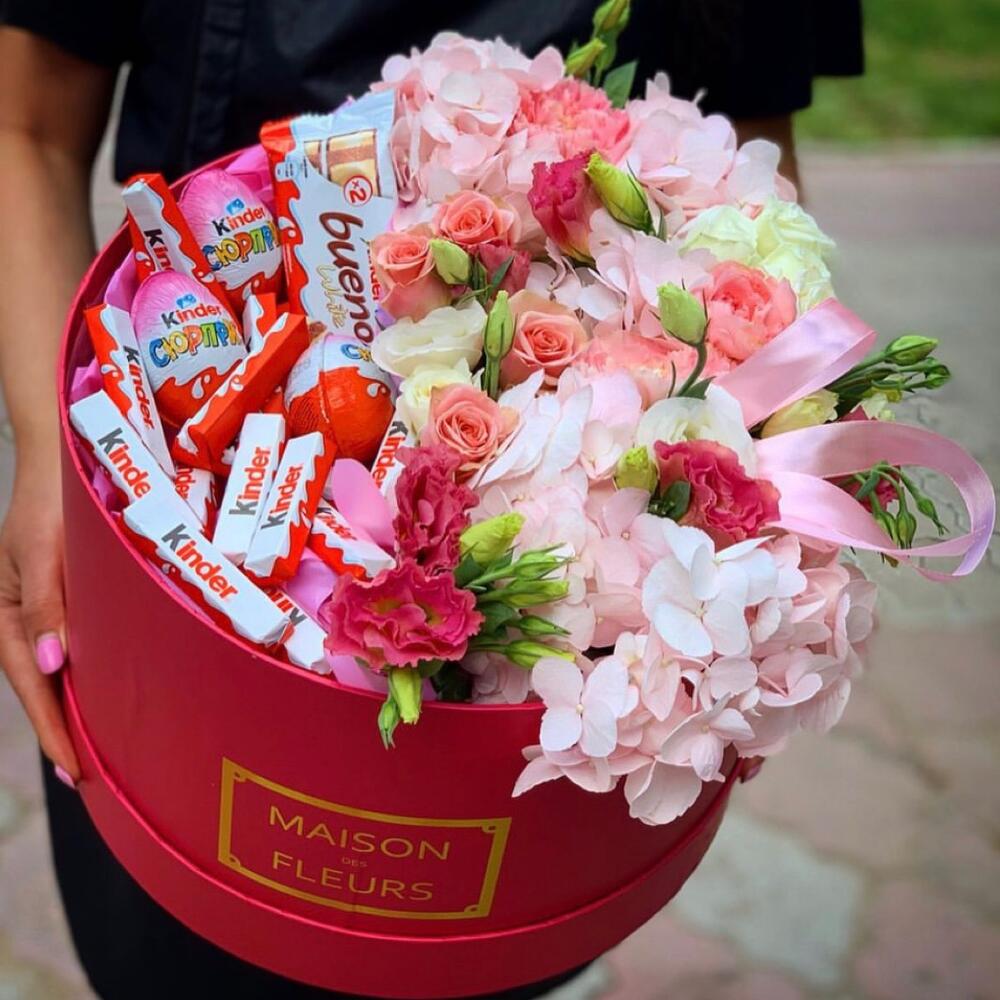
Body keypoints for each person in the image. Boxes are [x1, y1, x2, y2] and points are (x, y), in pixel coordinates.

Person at [0, 2, 863, 998]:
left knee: (499, 951)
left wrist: (769, 546)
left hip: (536, 743)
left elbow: (749, 169)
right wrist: (48, 457)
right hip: (184, 665)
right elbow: (28, 129)